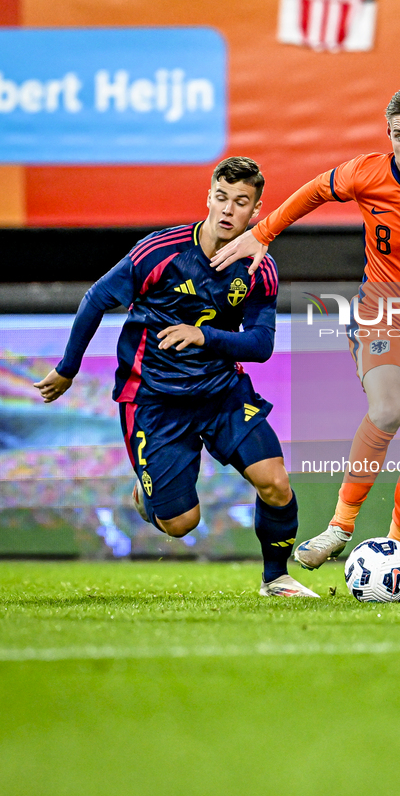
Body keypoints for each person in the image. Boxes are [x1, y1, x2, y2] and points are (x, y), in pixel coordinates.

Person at [211, 86, 400, 590]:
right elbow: (313, 190)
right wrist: (263, 232)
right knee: (387, 407)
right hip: (383, 313)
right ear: (390, 136)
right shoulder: (367, 173)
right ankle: (340, 527)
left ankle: (395, 550)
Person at [34, 156, 318, 598]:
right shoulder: (159, 253)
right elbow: (96, 299)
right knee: (182, 523)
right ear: (208, 198)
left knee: (276, 483)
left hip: (221, 392)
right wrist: (67, 370)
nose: (228, 209)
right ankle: (149, 494)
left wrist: (203, 337)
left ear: (255, 211)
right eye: (221, 198)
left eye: (240, 202)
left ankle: (275, 578)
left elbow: (261, 345)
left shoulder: (259, 268)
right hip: (154, 399)